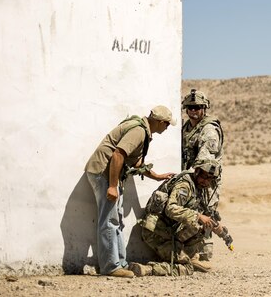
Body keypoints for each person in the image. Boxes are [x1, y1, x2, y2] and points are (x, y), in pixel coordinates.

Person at [83, 106, 175, 277]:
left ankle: (120, 263)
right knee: (109, 220)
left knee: (116, 220)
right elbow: (118, 155)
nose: (167, 128)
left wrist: (156, 176)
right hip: (103, 173)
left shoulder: (142, 130)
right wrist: (112, 185)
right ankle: (110, 267)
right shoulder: (139, 131)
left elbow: (136, 162)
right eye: (167, 125)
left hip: (108, 175)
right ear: (161, 122)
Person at [130, 162, 225, 276]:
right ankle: (147, 269)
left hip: (166, 231)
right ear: (197, 172)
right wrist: (198, 216)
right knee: (187, 268)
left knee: (199, 227)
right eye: (204, 177)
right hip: (156, 232)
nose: (206, 182)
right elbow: (171, 209)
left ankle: (185, 256)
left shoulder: (197, 187)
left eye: (210, 179)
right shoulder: (185, 185)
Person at [180, 88, 224, 260]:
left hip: (206, 181)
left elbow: (205, 160)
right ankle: (192, 253)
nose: (193, 111)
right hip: (192, 178)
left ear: (204, 108)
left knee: (205, 215)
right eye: (190, 107)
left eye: (197, 107)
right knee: (192, 214)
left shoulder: (209, 130)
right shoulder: (187, 128)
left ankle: (205, 256)